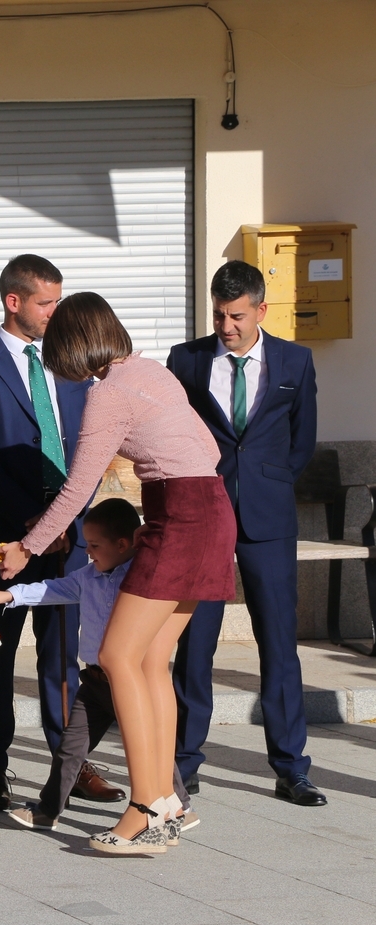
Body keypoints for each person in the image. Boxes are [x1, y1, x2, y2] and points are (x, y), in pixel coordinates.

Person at [0, 292, 236, 856]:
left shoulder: (107, 394)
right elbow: (209, 449)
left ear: (72, 345)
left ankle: (145, 806)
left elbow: (79, 487)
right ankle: (167, 801)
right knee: (151, 660)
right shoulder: (151, 372)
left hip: (179, 516)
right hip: (211, 510)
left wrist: (26, 549)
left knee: (116, 656)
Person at [0, 255, 119, 812]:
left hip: (71, 537)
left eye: (58, 301)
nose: (55, 312)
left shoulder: (69, 364)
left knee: (63, 653)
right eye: (47, 303)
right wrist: (33, 523)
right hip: (9, 536)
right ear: (14, 301)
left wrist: (69, 522)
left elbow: (91, 448)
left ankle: (70, 762)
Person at [167, 260, 325, 806]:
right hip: (204, 516)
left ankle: (291, 768)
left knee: (279, 643)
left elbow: (302, 439)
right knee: (195, 643)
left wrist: (270, 483)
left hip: (268, 520)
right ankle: (182, 763)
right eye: (218, 315)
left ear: (261, 310)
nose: (226, 326)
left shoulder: (294, 361)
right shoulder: (186, 360)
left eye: (236, 316)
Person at [0, 498, 193, 835]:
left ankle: (179, 803)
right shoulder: (88, 576)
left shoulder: (142, 579)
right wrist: (13, 595)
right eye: (87, 546)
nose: (89, 553)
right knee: (70, 748)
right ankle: (47, 810)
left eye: (95, 546)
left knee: (152, 745)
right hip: (95, 682)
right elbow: (54, 589)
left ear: (122, 544)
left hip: (131, 681)